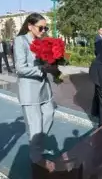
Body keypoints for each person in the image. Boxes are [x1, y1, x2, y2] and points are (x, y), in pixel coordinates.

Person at [14, 13, 58, 170]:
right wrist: (41, 68)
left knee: (49, 115)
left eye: (46, 27)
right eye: (41, 27)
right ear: (30, 26)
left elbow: (47, 61)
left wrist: (54, 64)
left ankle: (36, 144)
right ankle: (36, 157)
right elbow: (20, 68)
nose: (44, 30)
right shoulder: (21, 41)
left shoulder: (42, 41)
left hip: (44, 88)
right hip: (29, 90)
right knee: (35, 126)